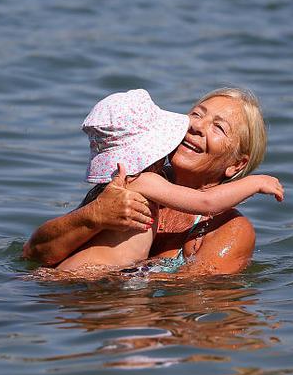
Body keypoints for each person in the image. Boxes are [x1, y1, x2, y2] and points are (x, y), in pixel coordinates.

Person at [24, 87, 272, 275]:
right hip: (77, 291)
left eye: (219, 127)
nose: (197, 126)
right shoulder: (122, 192)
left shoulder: (230, 229)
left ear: (236, 165)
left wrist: (133, 275)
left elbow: (197, 292)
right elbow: (34, 253)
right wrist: (93, 215)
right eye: (196, 114)